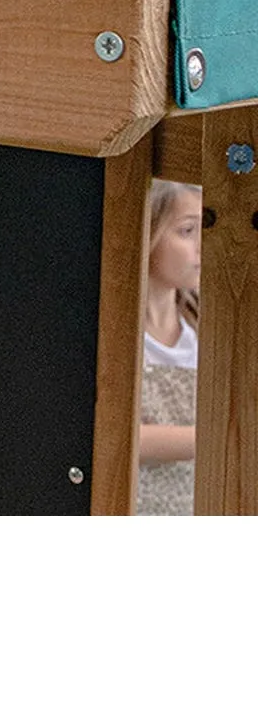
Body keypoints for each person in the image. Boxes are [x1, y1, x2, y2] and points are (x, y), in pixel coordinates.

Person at [138, 178, 201, 515]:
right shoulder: (117, 337)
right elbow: (117, 435)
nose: (201, 247)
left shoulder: (202, 330)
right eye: (187, 231)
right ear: (149, 231)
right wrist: (214, 439)